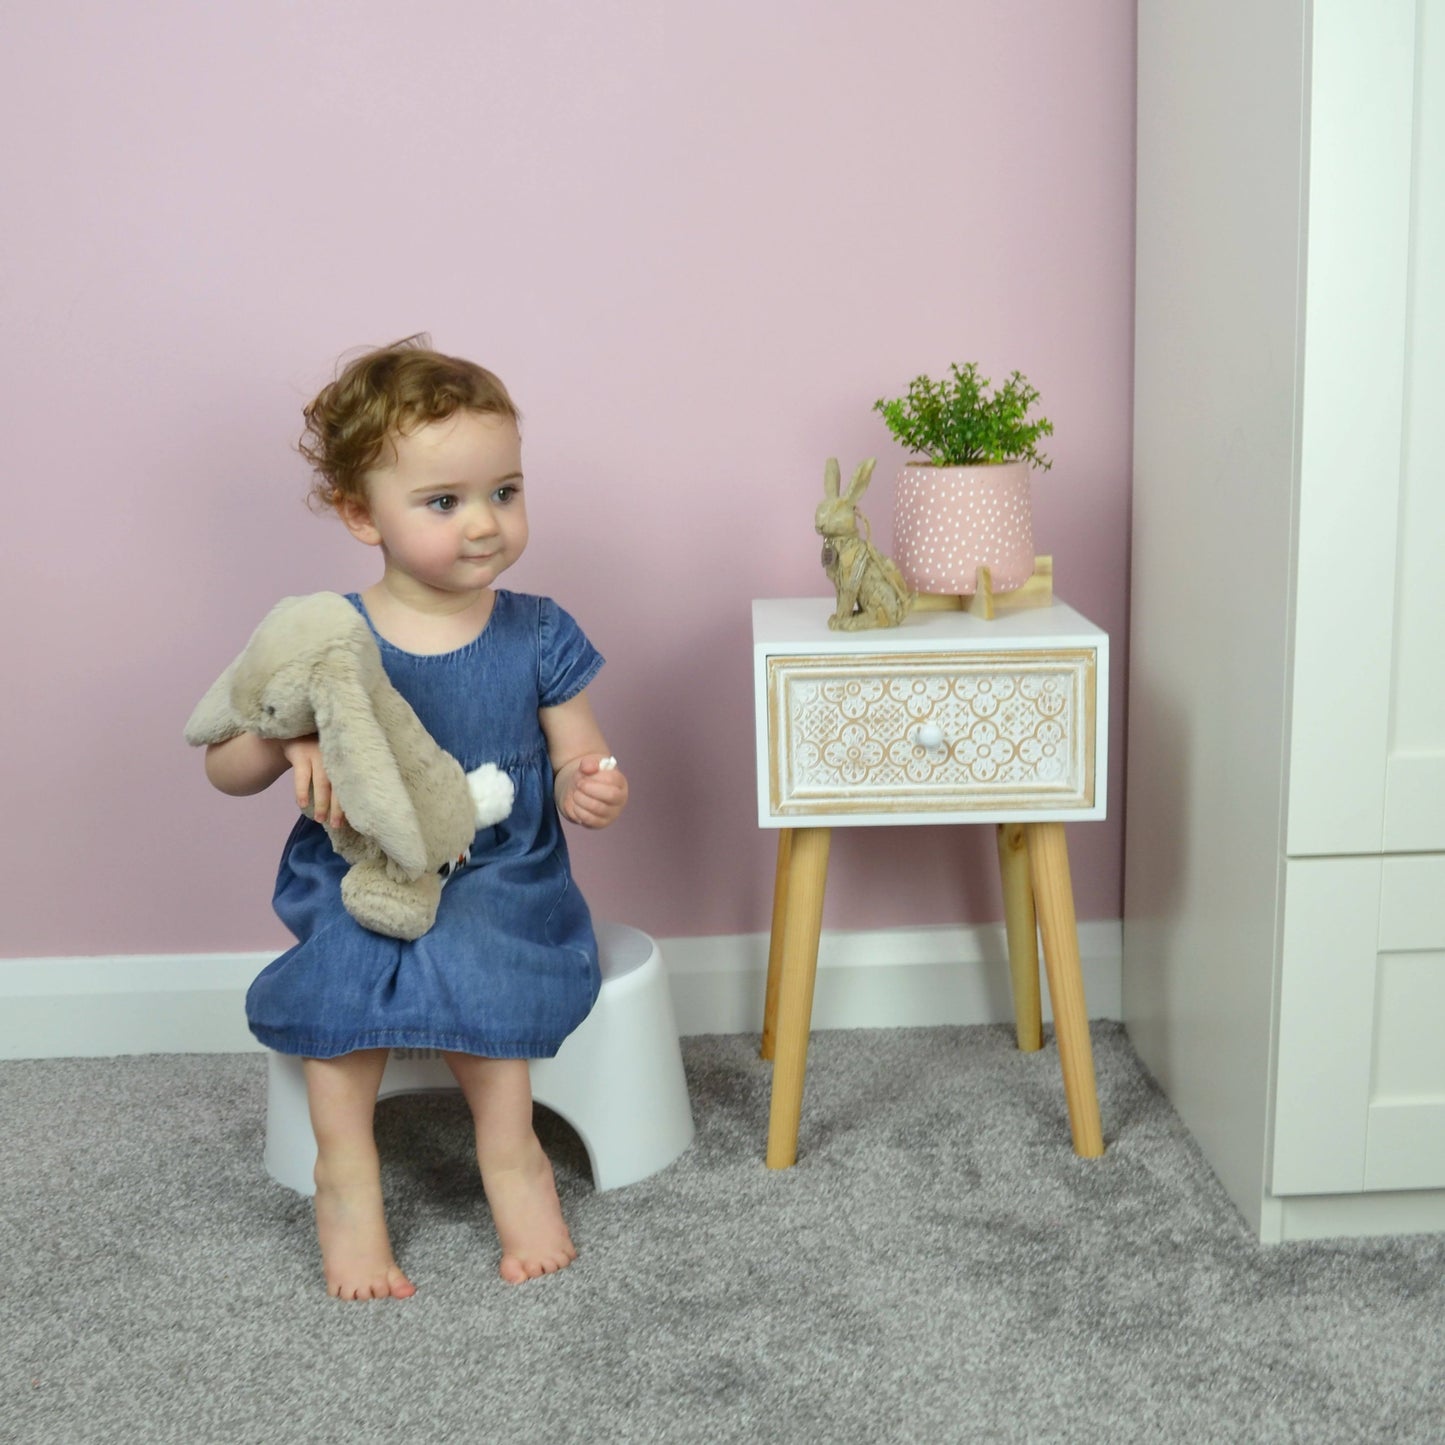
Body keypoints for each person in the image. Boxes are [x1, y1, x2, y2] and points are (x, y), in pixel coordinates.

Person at [203, 337, 628, 1299]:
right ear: (363, 515)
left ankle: (510, 1153)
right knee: (343, 971)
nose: (484, 524)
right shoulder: (327, 635)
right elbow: (224, 767)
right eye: (444, 502)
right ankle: (345, 1174)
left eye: (505, 492)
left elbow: (578, 753)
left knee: (477, 956)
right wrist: (290, 738)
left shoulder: (538, 629)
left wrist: (588, 787)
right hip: (362, 868)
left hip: (494, 864)